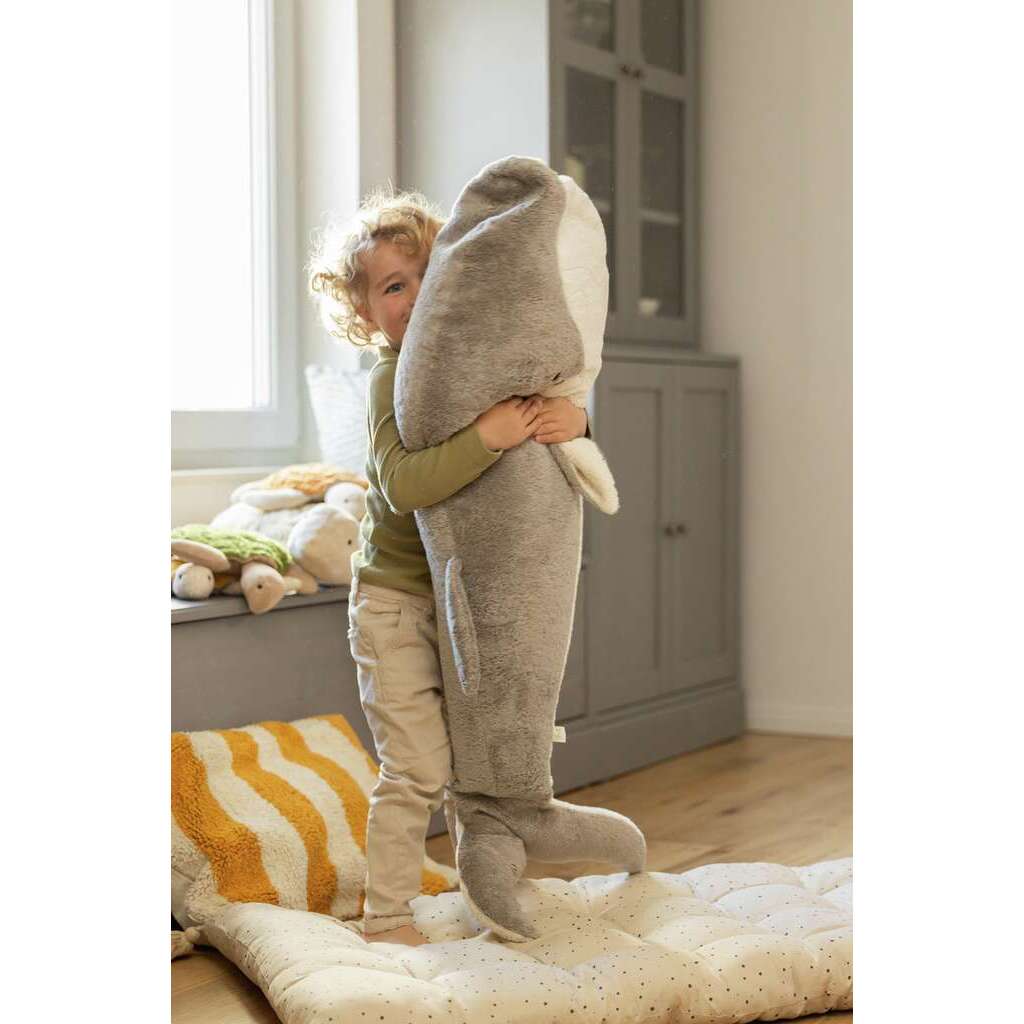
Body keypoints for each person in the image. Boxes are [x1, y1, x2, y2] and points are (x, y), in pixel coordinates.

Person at [307, 187, 589, 945]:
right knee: (416, 769)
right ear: (364, 313)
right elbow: (402, 484)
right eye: (395, 286)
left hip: (463, 603)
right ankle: (387, 916)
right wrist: (486, 438)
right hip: (394, 604)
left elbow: (551, 411)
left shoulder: (478, 367)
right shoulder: (389, 379)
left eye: (431, 275)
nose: (418, 295)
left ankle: (484, 894)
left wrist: (575, 420)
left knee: (475, 766)